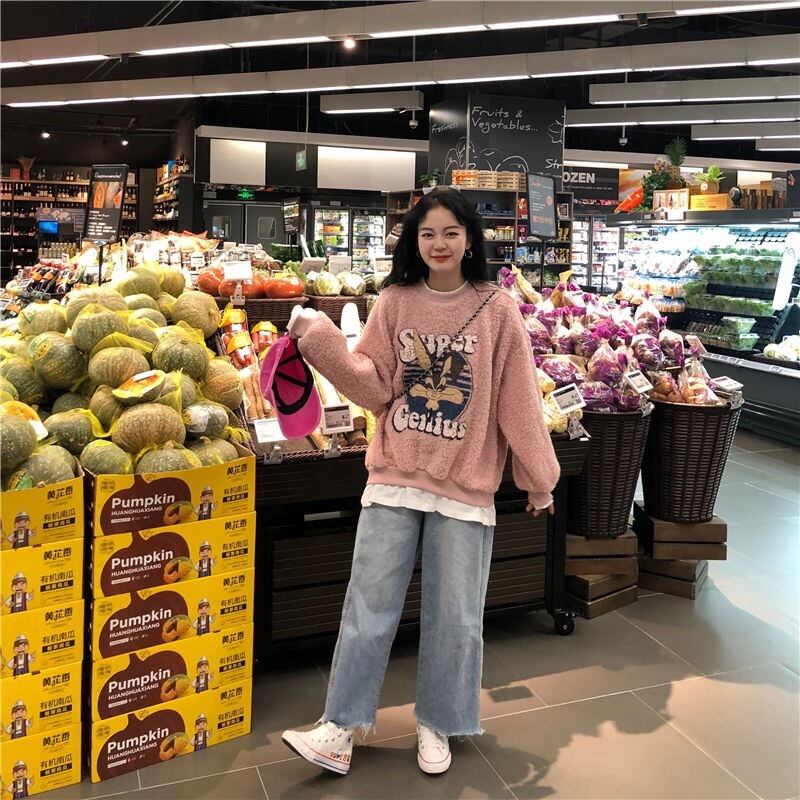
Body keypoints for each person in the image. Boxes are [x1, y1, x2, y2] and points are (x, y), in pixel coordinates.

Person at [281, 187, 559, 777]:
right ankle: (340, 726)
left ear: (470, 240)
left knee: (455, 615)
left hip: (464, 484)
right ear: (413, 240)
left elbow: (518, 401)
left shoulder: (498, 310)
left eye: (451, 233)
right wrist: (317, 336)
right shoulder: (395, 301)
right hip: (394, 476)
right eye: (427, 233)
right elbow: (373, 385)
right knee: (368, 603)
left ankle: (440, 721)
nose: (439, 244)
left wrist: (540, 478)